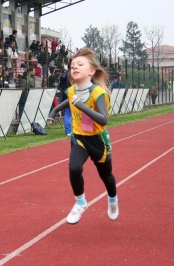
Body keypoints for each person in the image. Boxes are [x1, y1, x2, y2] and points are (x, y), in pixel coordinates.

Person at [47, 47, 119, 224]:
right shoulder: (72, 91)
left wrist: (82, 106)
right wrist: (54, 111)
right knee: (74, 168)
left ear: (91, 71)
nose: (74, 68)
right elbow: (68, 101)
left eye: (80, 64)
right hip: (79, 137)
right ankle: (80, 202)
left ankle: (112, 200)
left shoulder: (98, 93)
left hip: (98, 140)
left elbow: (103, 120)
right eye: (72, 66)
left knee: (106, 176)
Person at [59, 61, 72, 136]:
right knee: (69, 113)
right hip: (72, 95)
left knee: (67, 113)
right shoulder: (73, 74)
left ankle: (68, 130)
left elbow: (60, 86)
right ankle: (68, 131)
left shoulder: (63, 75)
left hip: (65, 95)